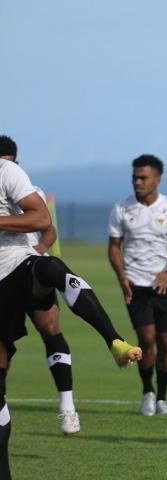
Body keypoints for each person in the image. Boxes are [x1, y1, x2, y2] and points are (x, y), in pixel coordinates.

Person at [0, 134, 142, 479]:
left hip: (21, 264)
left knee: (51, 275)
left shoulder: (8, 173)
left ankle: (114, 342)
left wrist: (39, 249)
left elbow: (42, 222)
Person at [3, 148, 81, 435]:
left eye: (8, 163)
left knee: (50, 330)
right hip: (4, 278)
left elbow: (49, 229)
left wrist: (41, 248)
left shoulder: (29, 190)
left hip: (33, 273)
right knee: (4, 348)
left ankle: (67, 407)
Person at [108, 154, 167, 417]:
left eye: (143, 177)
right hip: (136, 284)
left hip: (163, 285)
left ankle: (163, 398)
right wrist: (122, 275)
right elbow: (114, 247)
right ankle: (147, 392)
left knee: (166, 340)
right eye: (134, 177)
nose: (137, 182)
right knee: (146, 339)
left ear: (157, 179)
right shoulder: (122, 208)